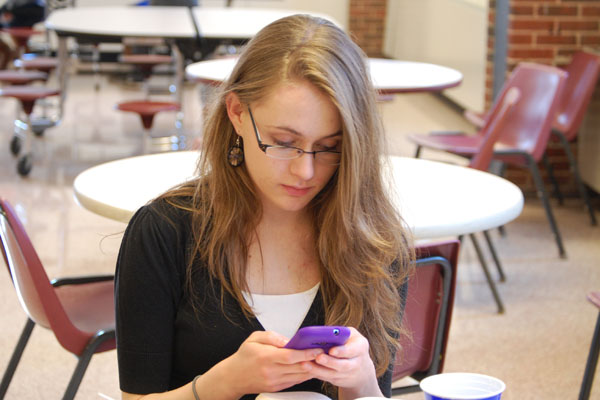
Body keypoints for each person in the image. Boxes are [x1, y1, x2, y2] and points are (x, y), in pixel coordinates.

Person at [115, 14, 413, 400]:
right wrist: (222, 385)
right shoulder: (165, 232)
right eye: (283, 141)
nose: (305, 171)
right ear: (237, 113)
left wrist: (364, 384)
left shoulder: (375, 243)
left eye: (329, 147)